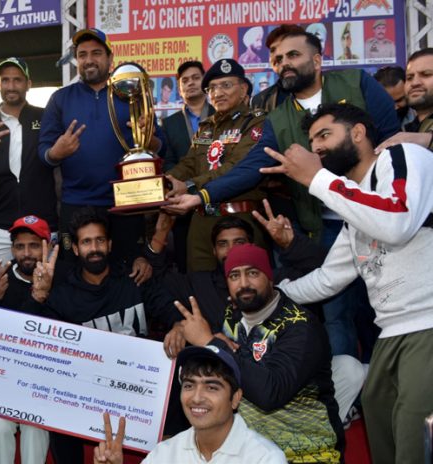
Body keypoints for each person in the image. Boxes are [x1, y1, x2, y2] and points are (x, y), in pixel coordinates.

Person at [166, 27, 398, 358]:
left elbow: (392, 139)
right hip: (323, 226)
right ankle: (346, 396)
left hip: (379, 216)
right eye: (276, 59)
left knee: (384, 306)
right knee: (337, 315)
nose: (283, 64)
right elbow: (250, 167)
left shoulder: (357, 83)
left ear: (317, 60)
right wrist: (194, 193)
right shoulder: (275, 117)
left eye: (292, 55)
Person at [263, 102, 433, 464]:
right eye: (312, 140)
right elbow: (329, 278)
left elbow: (398, 221)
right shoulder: (354, 201)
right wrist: (272, 297)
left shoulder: (402, 156)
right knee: (381, 426)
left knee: (412, 435)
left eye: (325, 135)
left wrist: (317, 179)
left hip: (427, 323)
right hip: (389, 333)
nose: (317, 148)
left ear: (358, 133)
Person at [26, 207, 181, 464]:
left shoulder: (134, 279)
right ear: (75, 249)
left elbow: (172, 310)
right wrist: (38, 296)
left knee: (180, 367)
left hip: (138, 384)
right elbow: (34, 345)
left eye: (99, 240)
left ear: (109, 245)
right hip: (88, 390)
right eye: (86, 242)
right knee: (57, 403)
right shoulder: (62, 296)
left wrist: (178, 327)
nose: (94, 248)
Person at [173, 244, 343, 462]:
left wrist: (209, 342)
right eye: (234, 276)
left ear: (270, 277)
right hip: (248, 453)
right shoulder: (231, 317)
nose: (243, 284)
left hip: (307, 454)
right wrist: (178, 328)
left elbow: (271, 393)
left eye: (252, 273)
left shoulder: (300, 325)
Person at [38, 28, 164, 273]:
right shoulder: (60, 98)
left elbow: (161, 145)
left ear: (110, 58)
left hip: (127, 203)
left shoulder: (131, 94)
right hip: (76, 202)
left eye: (96, 53)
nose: (88, 60)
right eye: (82, 54)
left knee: (127, 272)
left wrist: (148, 137)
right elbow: (43, 151)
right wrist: (57, 152)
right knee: (74, 273)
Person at [92, 345, 287, 464]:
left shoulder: (265, 458)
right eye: (189, 385)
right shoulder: (164, 453)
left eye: (212, 387)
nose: (196, 397)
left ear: (235, 398)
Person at [165, 58, 267, 272]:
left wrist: (190, 185)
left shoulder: (256, 122)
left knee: (246, 292)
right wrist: (166, 182)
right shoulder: (206, 128)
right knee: (201, 290)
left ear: (244, 88)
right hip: (201, 221)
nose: (217, 93)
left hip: (240, 220)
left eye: (226, 85)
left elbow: (235, 167)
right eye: (212, 88)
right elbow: (189, 163)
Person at [0, 57, 57, 270]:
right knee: (2, 290)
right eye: (5, 80)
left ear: (28, 84)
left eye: (17, 80)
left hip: (43, 223)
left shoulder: (46, 117)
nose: (11, 86)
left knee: (43, 287)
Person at [0, 214, 52, 464]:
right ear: (12, 249)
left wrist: (41, 297)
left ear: (48, 246)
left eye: (34, 245)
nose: (27, 253)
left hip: (44, 387)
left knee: (35, 426)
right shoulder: (0, 279)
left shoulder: (61, 278)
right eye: (19, 246)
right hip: (3, 384)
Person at [161, 60, 214, 272]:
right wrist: (180, 184)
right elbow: (169, 161)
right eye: (185, 81)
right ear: (179, 89)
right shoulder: (170, 123)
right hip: (183, 202)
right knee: (187, 261)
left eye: (196, 78)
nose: (191, 83)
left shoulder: (220, 114)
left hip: (219, 195)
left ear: (205, 83)